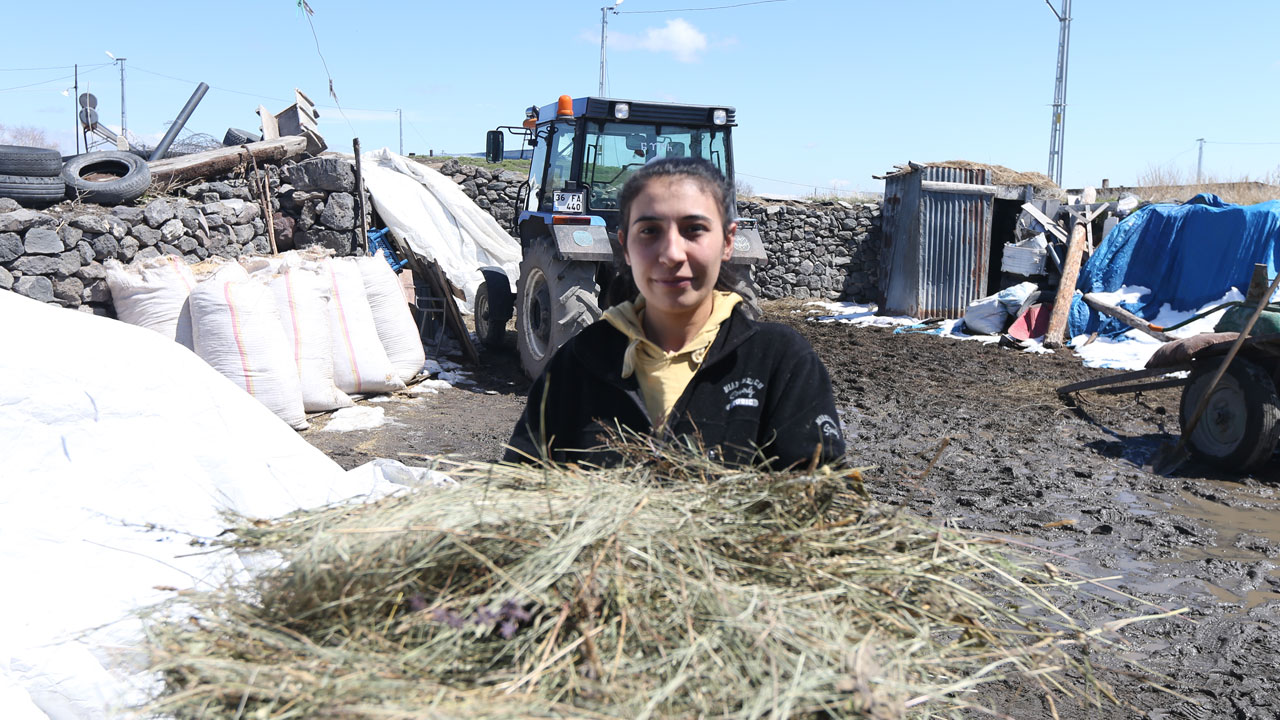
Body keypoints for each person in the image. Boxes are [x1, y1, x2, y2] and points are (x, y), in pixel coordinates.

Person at [504, 157, 845, 469]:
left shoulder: (780, 365)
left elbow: (826, 503)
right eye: (649, 231)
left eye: (694, 229)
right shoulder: (576, 366)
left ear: (728, 241)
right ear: (624, 245)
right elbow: (518, 493)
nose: (671, 254)